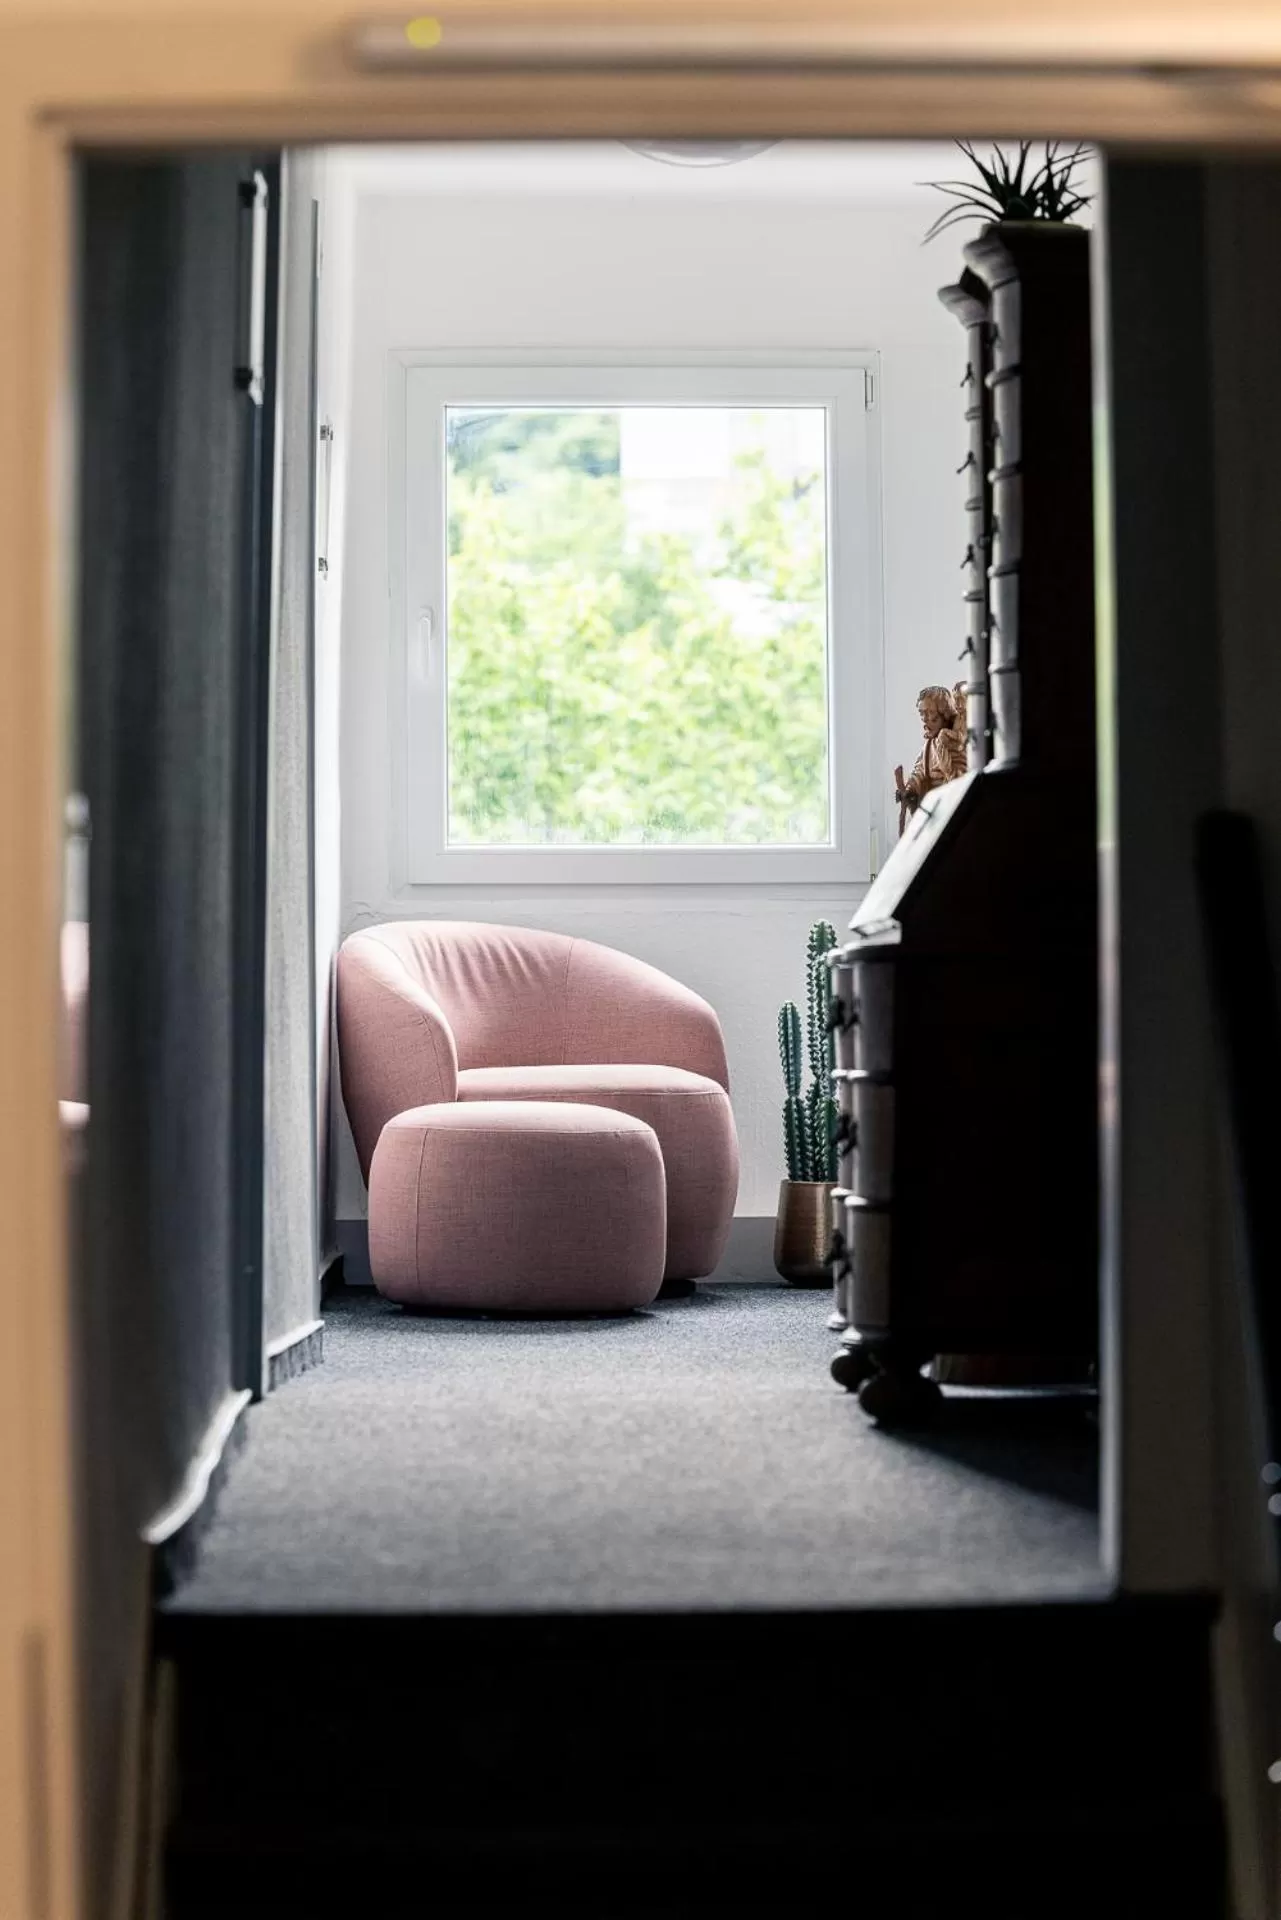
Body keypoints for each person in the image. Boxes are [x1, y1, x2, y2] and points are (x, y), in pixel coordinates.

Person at [894, 683, 968, 835]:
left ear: (944, 713)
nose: (925, 720)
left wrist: (943, 753)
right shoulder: (929, 744)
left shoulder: (955, 744)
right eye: (922, 714)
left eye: (930, 714)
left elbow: (960, 778)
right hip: (930, 813)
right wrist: (910, 790)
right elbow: (919, 771)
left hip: (948, 812)